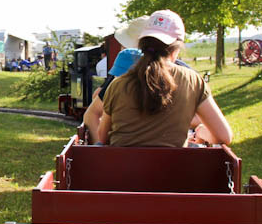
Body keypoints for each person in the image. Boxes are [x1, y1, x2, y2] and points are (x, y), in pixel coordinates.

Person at [99, 9, 232, 148]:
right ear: (177, 47)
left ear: (142, 44)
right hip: (174, 169)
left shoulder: (118, 84)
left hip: (124, 169)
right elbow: (224, 136)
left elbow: (102, 137)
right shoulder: (193, 81)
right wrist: (201, 132)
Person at [82, 47, 141, 144]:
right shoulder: (113, 86)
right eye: (116, 75)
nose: (117, 78)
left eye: (123, 75)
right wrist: (100, 148)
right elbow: (92, 114)